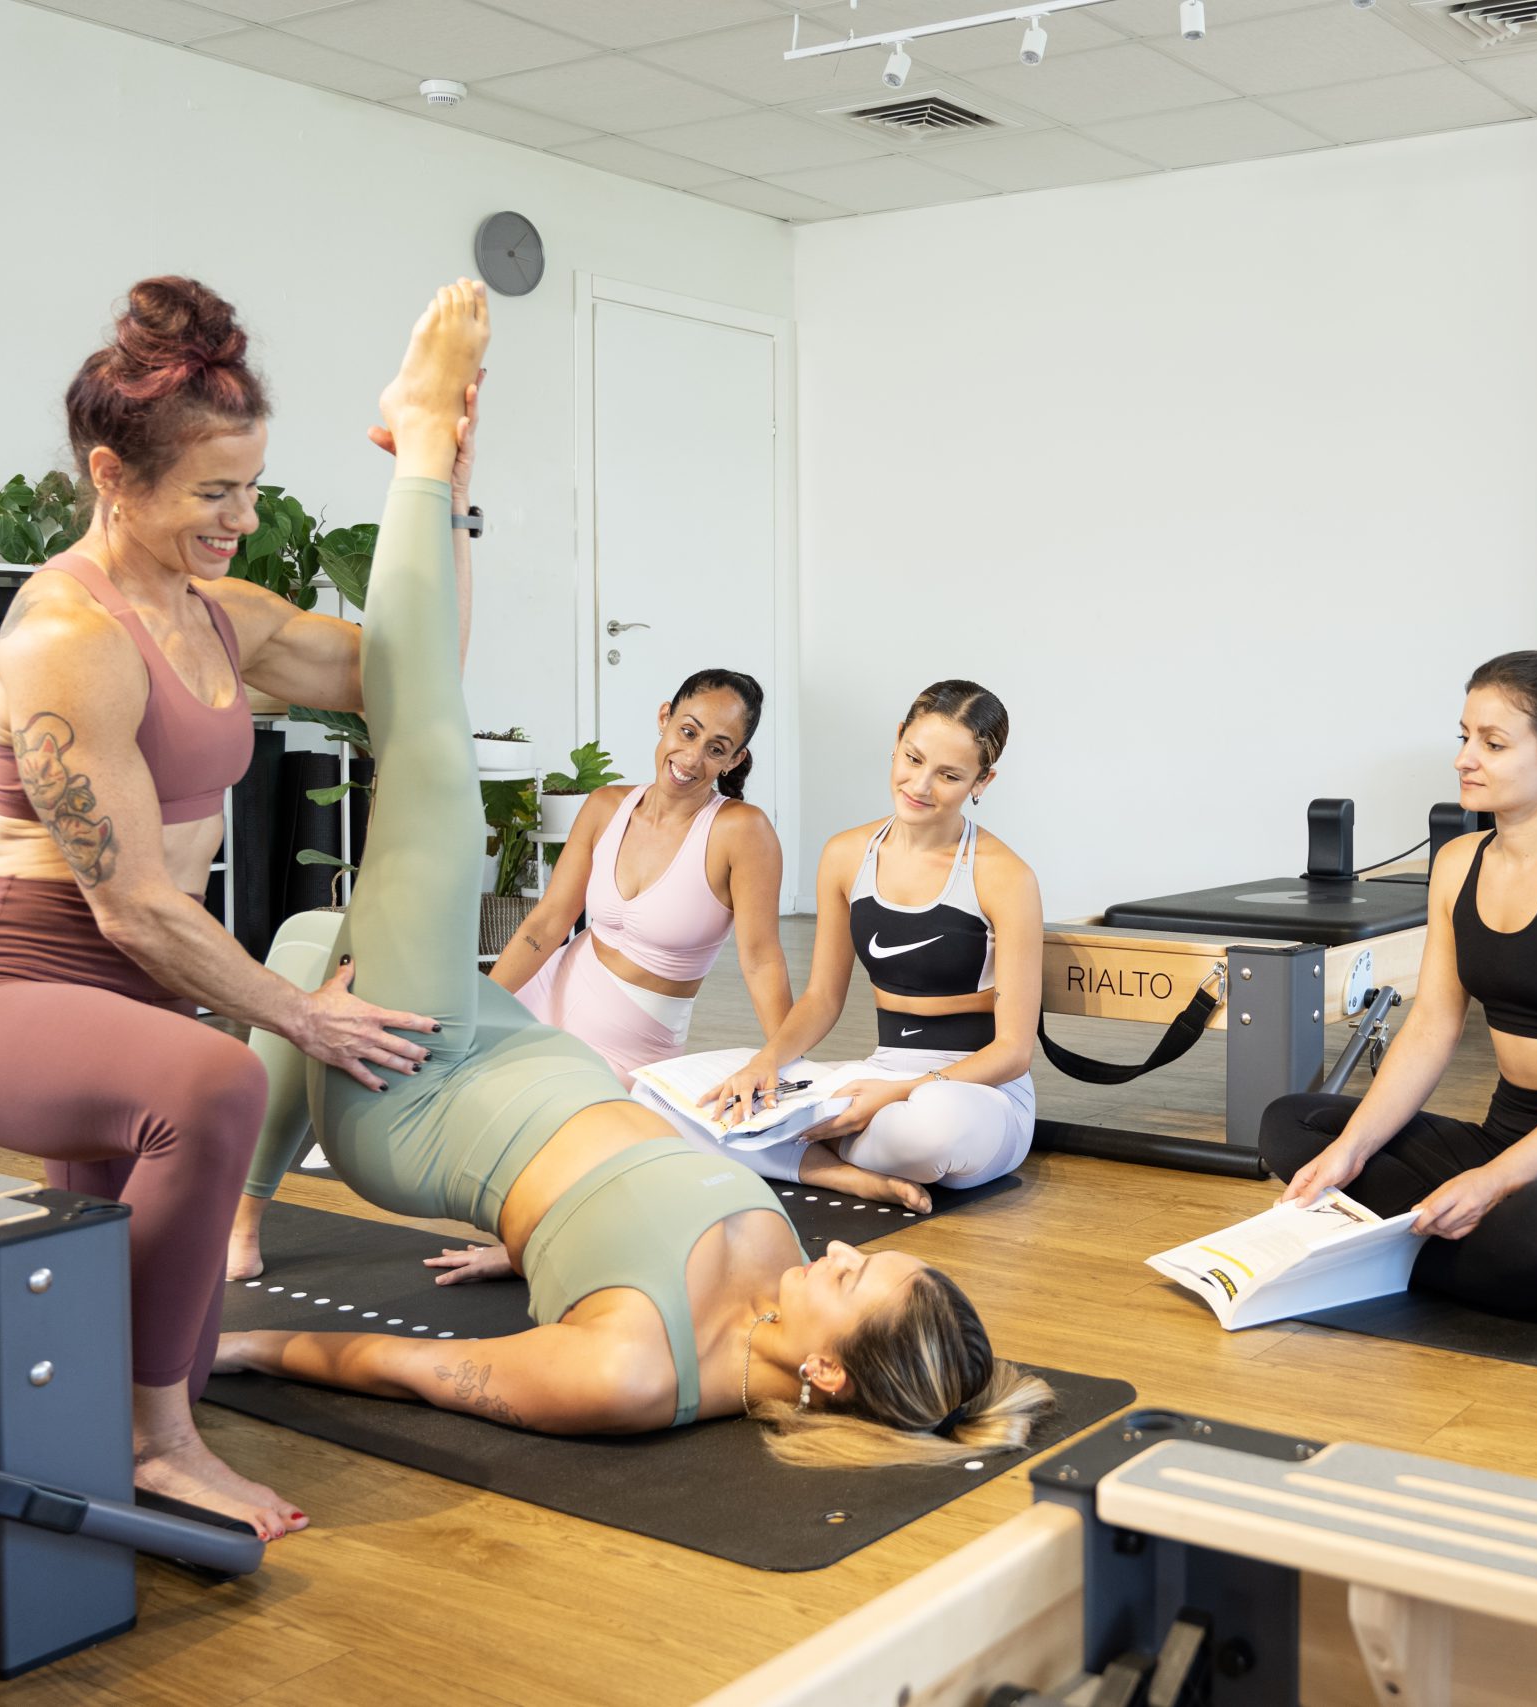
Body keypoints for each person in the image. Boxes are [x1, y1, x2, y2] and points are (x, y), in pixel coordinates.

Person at [214, 283, 1049, 1479]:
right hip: (530, 1053)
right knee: (309, 940)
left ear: (822, 1375)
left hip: (424, 1099)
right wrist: (545, 1248)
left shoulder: (629, 1372)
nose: (838, 1250)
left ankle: (434, 457)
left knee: (432, 758)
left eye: (855, 1278)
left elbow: (407, 1369)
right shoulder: (780, 1279)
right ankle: (240, 1213)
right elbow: (626, 1188)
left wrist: (237, 1350)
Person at [0, 276, 454, 1540]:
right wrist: (300, 1016)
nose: (243, 520)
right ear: (113, 475)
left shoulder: (216, 616)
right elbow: (136, 907)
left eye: (251, 488)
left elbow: (412, 671)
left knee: (160, 1337)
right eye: (215, 494)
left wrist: (437, 481)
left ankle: (125, 1413)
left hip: (125, 1009)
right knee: (219, 1082)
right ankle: (153, 1447)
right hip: (6, 993)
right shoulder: (67, 636)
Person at [1261, 651, 1537, 1317]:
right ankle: (1472, 1261)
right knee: (1293, 1126)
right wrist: (1350, 1152)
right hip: (1502, 1135)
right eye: (1464, 737)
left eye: (1493, 743)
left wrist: (1492, 1182)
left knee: (1531, 1224)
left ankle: (1391, 1246)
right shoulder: (1458, 863)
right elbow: (1432, 1026)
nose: (1465, 759)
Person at [689, 682, 1041, 1212]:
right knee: (675, 1098)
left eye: (949, 775)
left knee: (927, 1130)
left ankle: (796, 1146)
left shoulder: (1005, 877)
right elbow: (822, 1000)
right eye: (913, 758)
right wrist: (765, 1062)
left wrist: (896, 1094)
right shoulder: (845, 855)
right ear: (897, 740)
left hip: (976, 1097)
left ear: (982, 781)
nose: (920, 785)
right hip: (878, 1074)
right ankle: (843, 1172)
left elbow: (1013, 1052)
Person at [488, 667, 792, 1086]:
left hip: (630, 1053)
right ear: (665, 717)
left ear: (734, 760)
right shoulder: (605, 806)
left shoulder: (742, 831)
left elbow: (761, 962)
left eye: (716, 749)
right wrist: (483, 1009)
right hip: (542, 1001)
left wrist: (786, 1059)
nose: (692, 758)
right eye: (688, 732)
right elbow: (548, 922)